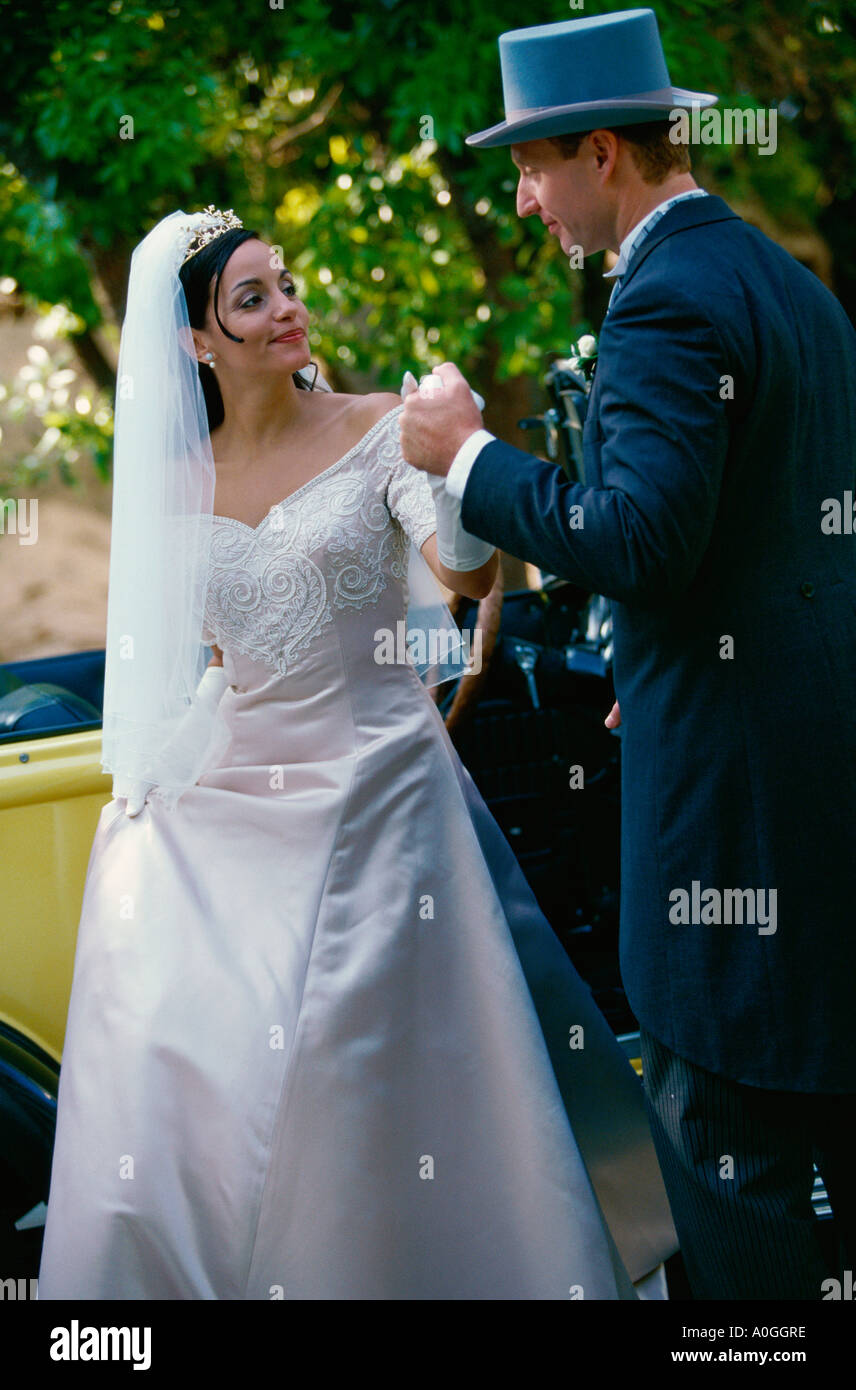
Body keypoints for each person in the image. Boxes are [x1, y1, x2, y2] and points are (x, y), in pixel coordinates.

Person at [37, 204, 677, 1300]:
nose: (286, 308)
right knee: (174, 1019)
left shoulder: (379, 427)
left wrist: (456, 441)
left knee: (346, 1070)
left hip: (381, 789)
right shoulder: (172, 492)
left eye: (281, 284)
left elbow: (466, 575)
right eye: (251, 299)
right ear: (196, 340)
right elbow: (198, 666)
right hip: (236, 803)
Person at [400, 9, 856, 1301]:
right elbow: (780, 545)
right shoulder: (795, 288)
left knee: (732, 1156)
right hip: (820, 787)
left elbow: (641, 537)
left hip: (734, 823)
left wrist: (467, 459)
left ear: (602, 152)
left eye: (535, 169)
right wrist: (679, 664)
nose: (527, 199)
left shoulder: (660, 302)